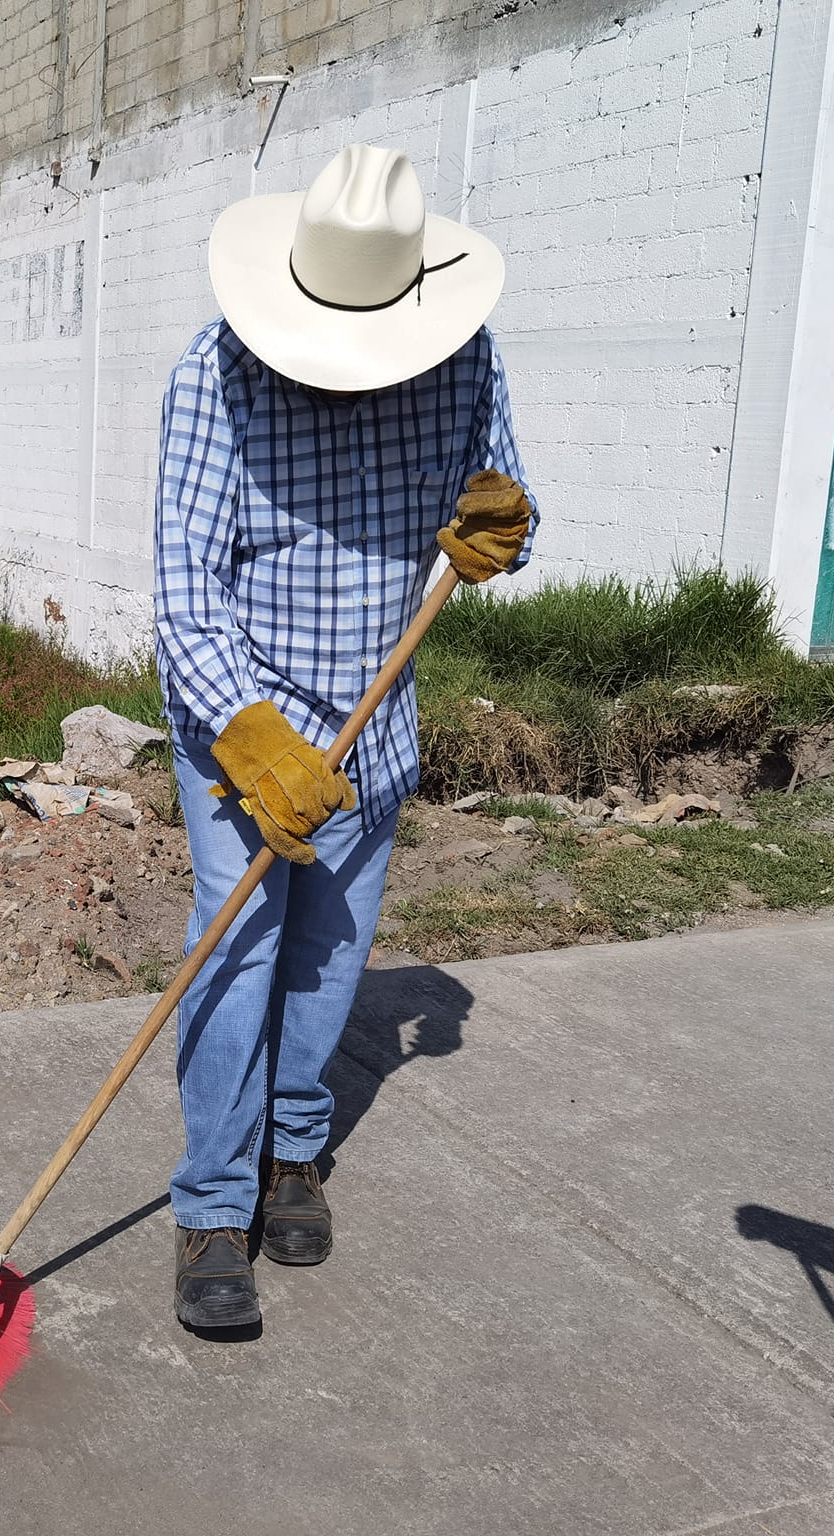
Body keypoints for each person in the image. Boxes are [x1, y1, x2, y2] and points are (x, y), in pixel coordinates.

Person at [153, 142, 537, 1330]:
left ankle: (290, 1155)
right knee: (236, 955)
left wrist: (497, 529)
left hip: (373, 724)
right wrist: (251, 739)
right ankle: (212, 1206)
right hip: (246, 728)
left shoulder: (459, 355)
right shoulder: (209, 381)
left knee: (326, 957)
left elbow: (500, 503)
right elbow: (181, 593)